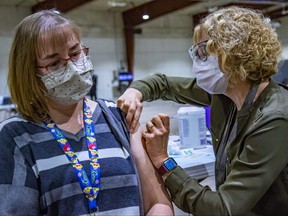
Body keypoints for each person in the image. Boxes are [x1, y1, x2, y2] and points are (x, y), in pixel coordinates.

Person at [0, 9, 174, 216]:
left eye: (75, 53)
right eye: (55, 63)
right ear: (30, 72)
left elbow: (157, 203)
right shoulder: (14, 135)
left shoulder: (117, 116)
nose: (72, 68)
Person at [117, 6, 288, 216]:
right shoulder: (227, 94)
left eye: (203, 52)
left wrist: (163, 160)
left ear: (234, 53)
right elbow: (163, 84)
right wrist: (135, 92)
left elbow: (222, 208)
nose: (197, 62)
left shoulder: (273, 119)